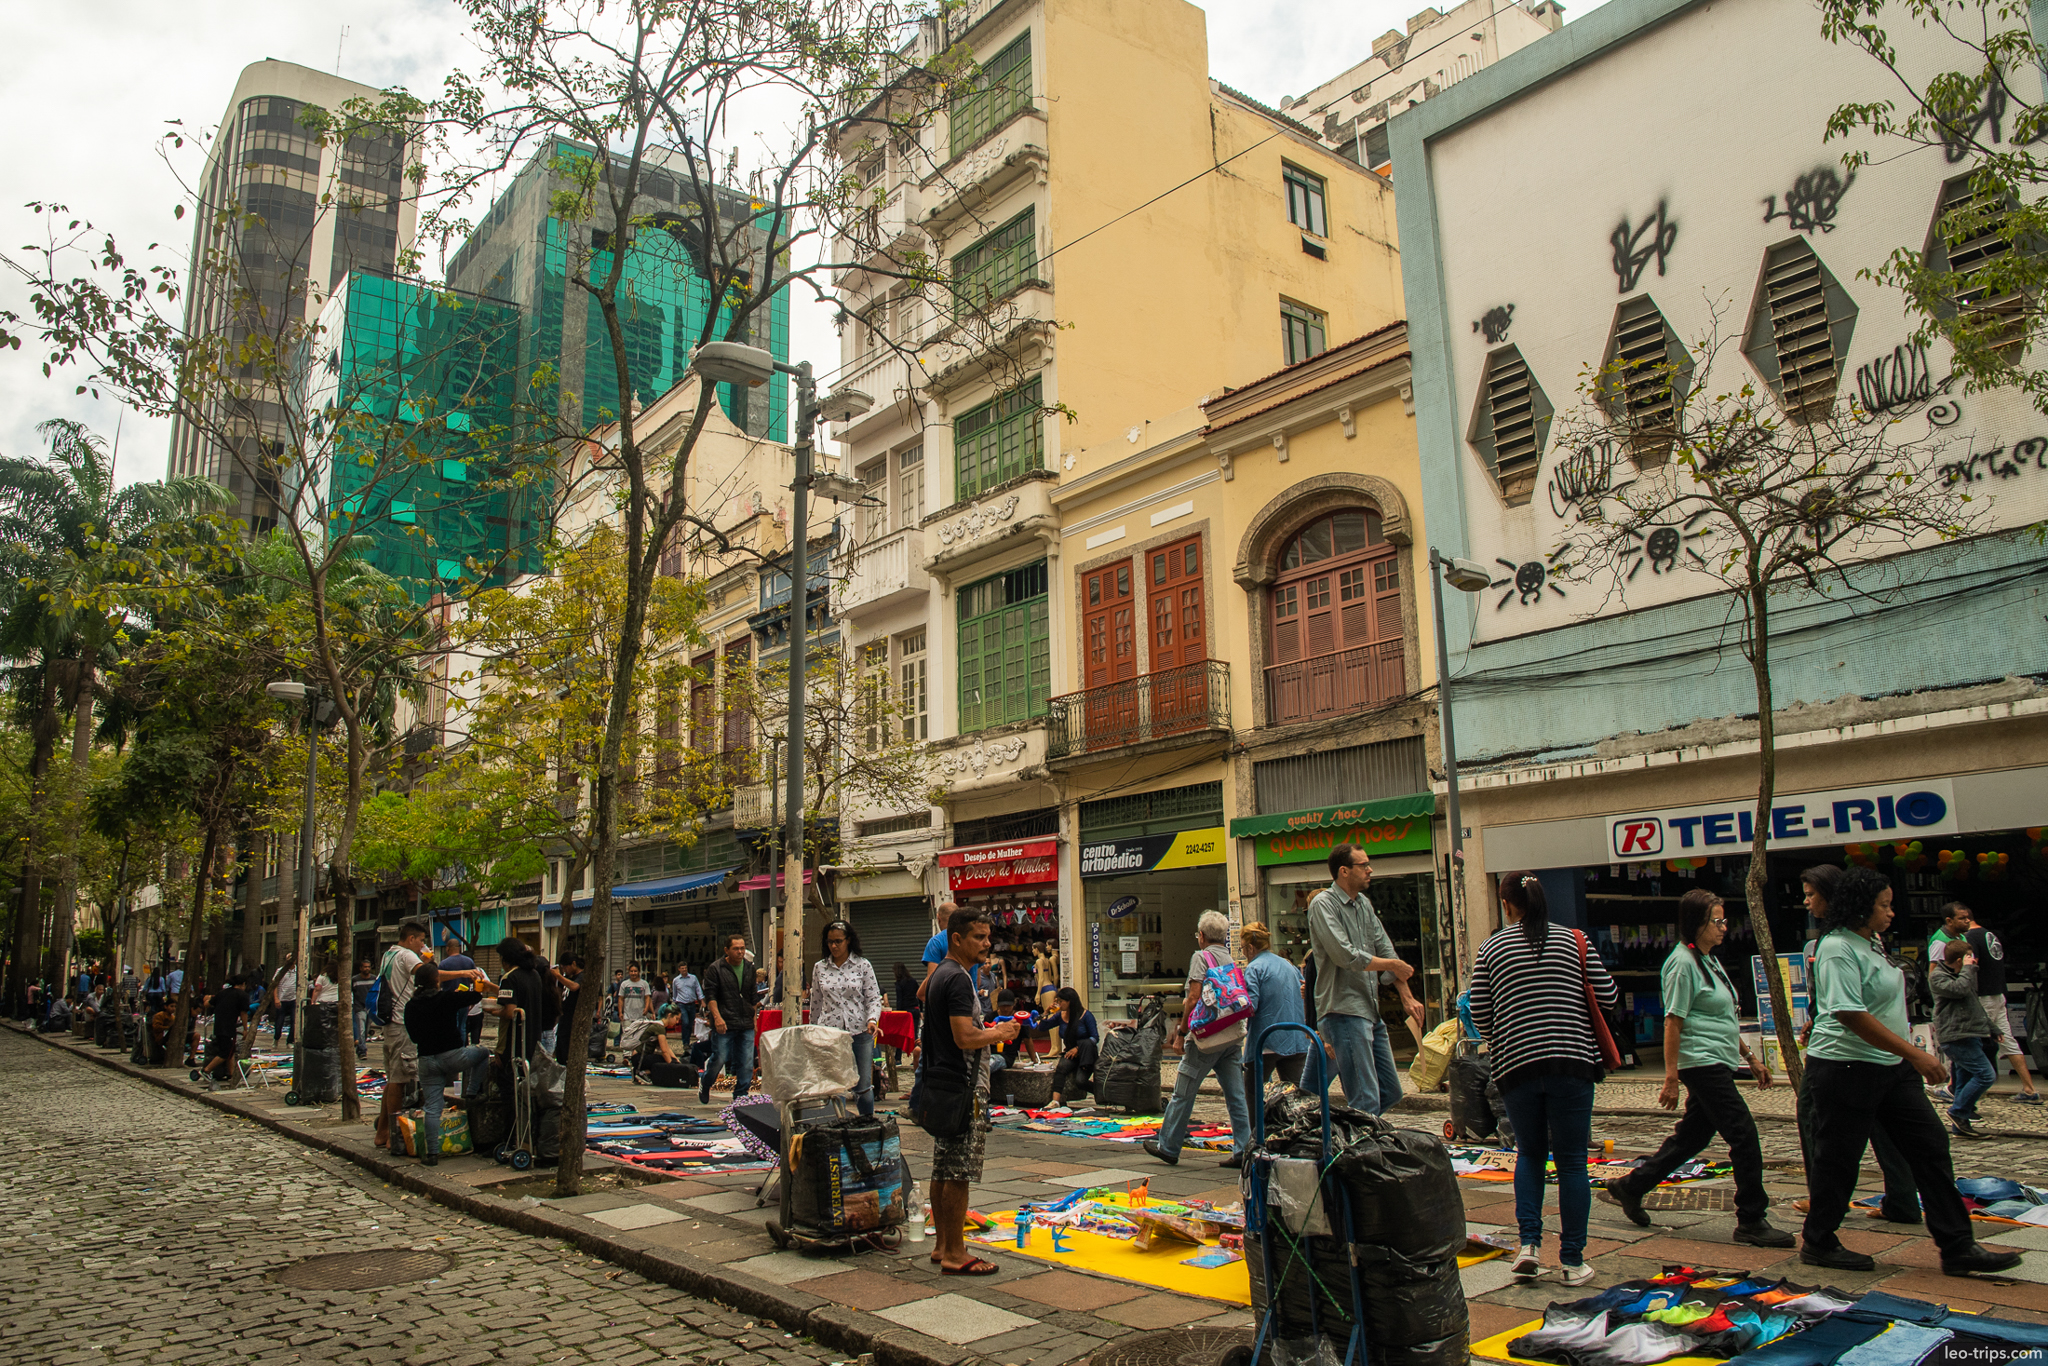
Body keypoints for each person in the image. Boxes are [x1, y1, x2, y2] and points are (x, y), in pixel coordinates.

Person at [1800, 866, 2019, 1276]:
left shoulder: (1873, 943)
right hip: (1846, 1067)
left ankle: (1957, 1246)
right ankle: (1819, 1240)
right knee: (1839, 1159)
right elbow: (1848, 1012)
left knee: (1931, 1146)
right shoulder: (1835, 947)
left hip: (1891, 1067)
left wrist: (1904, 1055)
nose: (1891, 913)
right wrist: (1916, 1054)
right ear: (1862, 907)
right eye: (1884, 906)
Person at [1602, 890, 1792, 1247]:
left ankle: (1630, 1186)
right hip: (1700, 1063)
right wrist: (1670, 1076)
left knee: (1691, 1138)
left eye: (1724, 921)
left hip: (1718, 1059)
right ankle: (1751, 1218)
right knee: (1744, 1136)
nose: (1723, 929)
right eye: (1716, 922)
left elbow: (1723, 1017)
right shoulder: (1682, 963)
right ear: (1696, 924)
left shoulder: (1709, 960)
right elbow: (1673, 1021)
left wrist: (1750, 1059)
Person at [1468, 870, 1618, 1287]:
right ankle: (1572, 1261)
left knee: (1530, 1154)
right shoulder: (1574, 941)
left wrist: (1511, 1030)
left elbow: (1479, 1011)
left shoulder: (1493, 947)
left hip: (1517, 1066)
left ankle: (1529, 1247)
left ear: (1507, 905)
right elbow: (1608, 996)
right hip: (1573, 1063)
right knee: (1572, 1162)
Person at [1795, 865, 1922, 1225]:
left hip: (1848, 1055)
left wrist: (1910, 1052)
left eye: (1811, 894)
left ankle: (1823, 1204)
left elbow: (1851, 1008)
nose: (1806, 902)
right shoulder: (1862, 940)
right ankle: (1901, 1199)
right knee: (1882, 1130)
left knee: (1822, 1129)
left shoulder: (1838, 942)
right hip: (1872, 1052)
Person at [924, 907, 1019, 1276]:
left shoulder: (938, 976)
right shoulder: (959, 979)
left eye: (987, 937)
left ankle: (942, 1245)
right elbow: (965, 1037)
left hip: (943, 1083)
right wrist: (1001, 1033)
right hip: (965, 1088)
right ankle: (956, 1253)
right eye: (979, 938)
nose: (987, 943)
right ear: (957, 939)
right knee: (959, 1171)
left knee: (943, 1167)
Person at [1307, 843, 1423, 1115]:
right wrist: (1393, 964)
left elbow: (1385, 948)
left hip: (1369, 1011)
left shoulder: (1364, 905)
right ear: (1344, 871)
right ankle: (1359, 1152)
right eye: (1363, 865)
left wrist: (1406, 996)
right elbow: (1344, 956)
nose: (1370, 870)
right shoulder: (1323, 904)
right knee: (1365, 1097)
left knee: (1390, 1092)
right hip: (1342, 1010)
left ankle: (1352, 1137)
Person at [1144, 910, 1254, 1170]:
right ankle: (1243, 1149)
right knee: (1236, 1095)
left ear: (1201, 936)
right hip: (1231, 1036)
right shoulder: (1230, 957)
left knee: (1183, 1092)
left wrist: (1181, 1033)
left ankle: (1168, 1146)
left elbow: (1193, 998)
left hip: (1206, 1038)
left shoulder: (1200, 957)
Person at [403, 959, 494, 1164]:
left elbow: (414, 1037)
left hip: (426, 1060)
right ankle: (471, 1092)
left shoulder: (411, 1006)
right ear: (436, 982)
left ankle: (432, 1153)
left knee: (432, 1107)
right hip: (453, 1056)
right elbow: (475, 996)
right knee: (482, 1052)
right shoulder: (445, 998)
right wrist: (478, 983)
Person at [1958, 905, 2042, 1105]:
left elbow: (1972, 964)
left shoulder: (1971, 937)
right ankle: (2029, 1089)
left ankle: (1956, 1089)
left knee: (1968, 1040)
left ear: (1966, 919)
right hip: (1997, 993)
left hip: (1984, 996)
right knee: (2008, 1040)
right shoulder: (1990, 935)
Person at [810, 920, 883, 1117]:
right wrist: (812, 1030)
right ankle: (838, 1127)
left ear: (848, 941)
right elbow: (816, 1001)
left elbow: (873, 997)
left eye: (838, 941)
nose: (834, 946)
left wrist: (872, 1020)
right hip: (830, 1034)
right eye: (830, 942)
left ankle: (868, 1125)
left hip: (860, 1031)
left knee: (863, 1087)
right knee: (836, 1086)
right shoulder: (820, 967)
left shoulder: (862, 965)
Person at [373, 922, 430, 1152]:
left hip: (390, 1026)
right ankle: (393, 1136)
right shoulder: (407, 956)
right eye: (421, 940)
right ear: (410, 939)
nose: (423, 945)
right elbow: (428, 976)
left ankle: (383, 1131)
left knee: (392, 1079)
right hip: (401, 1023)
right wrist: (464, 973)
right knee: (399, 1080)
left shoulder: (388, 954)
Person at [1931, 939, 1995, 1139]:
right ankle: (1957, 1112)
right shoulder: (1938, 977)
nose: (1974, 960)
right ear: (1960, 960)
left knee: (1964, 1080)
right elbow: (1958, 990)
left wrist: (1993, 1028)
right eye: (1970, 956)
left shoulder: (1964, 975)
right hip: (1955, 1035)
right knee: (1985, 1075)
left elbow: (1973, 1003)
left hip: (1971, 1033)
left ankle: (1961, 1124)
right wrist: (1968, 970)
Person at [1239, 922, 1310, 1088]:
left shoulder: (1254, 968)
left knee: (1253, 1093)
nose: (1242, 952)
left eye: (1242, 948)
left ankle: (1260, 1116)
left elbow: (1251, 1006)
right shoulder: (1288, 965)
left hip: (1267, 1040)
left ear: (1250, 947)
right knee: (1296, 1096)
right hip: (1296, 1038)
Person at [699, 934, 758, 1105]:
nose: (740, 952)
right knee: (720, 1058)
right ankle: (706, 1082)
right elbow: (711, 996)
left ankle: (740, 1097)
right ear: (727, 950)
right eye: (736, 949)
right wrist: (717, 1018)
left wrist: (753, 1020)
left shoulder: (749, 968)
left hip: (745, 1021)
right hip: (725, 1021)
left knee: (746, 1062)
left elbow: (752, 997)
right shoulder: (716, 969)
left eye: (742, 948)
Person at [1047, 987, 1099, 1106]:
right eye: (1057, 1001)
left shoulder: (1086, 1016)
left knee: (1080, 1081)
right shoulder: (1061, 1015)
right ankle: (1055, 1101)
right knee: (1061, 1068)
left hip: (1086, 1053)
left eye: (1061, 1001)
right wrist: (1046, 1013)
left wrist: (1078, 1048)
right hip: (1070, 1052)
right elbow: (1042, 1026)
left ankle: (1103, 1093)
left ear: (1069, 1001)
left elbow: (1094, 1037)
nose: (1059, 1004)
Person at [197, 973, 250, 1089]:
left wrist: (209, 998)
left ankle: (231, 1074)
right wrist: (246, 1028)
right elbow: (243, 1013)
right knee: (225, 1052)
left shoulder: (222, 993)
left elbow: (206, 1004)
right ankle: (206, 1070)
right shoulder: (242, 995)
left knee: (230, 1050)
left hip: (218, 1026)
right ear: (242, 984)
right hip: (229, 1026)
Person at [917, 902, 972, 1003]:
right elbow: (978, 980)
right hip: (972, 1000)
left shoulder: (936, 942)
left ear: (938, 918)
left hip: (949, 1003)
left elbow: (932, 980)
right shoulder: (971, 940)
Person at [437, 937, 484, 1046]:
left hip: (449, 1000)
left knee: (451, 1026)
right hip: (464, 999)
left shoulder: (444, 964)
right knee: (462, 1026)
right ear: (459, 948)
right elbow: (475, 980)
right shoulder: (469, 961)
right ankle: (461, 1048)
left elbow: (439, 981)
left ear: (448, 949)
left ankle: (453, 1048)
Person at [350, 959, 376, 1058]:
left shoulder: (374, 979)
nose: (367, 969)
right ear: (361, 968)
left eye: (368, 967)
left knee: (366, 1030)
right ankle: (362, 1051)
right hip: (359, 1006)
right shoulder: (355, 980)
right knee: (361, 1029)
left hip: (370, 1007)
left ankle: (361, 1047)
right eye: (365, 967)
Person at [618, 962, 654, 1033]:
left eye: (635, 971)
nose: (633, 973)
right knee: (627, 1035)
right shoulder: (624, 984)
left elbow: (647, 998)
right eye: (631, 971)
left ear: (638, 972)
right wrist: (620, 1012)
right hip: (627, 1016)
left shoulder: (644, 984)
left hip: (640, 1016)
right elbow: (621, 999)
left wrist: (646, 1009)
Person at [670, 960, 702, 1038]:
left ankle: (687, 1040)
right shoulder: (676, 980)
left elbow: (698, 988)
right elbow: (675, 993)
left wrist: (701, 999)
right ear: (679, 969)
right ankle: (685, 1042)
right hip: (681, 1003)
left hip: (691, 1003)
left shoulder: (693, 978)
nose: (684, 970)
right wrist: (674, 1004)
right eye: (682, 968)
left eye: (685, 968)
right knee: (685, 1022)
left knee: (690, 1023)